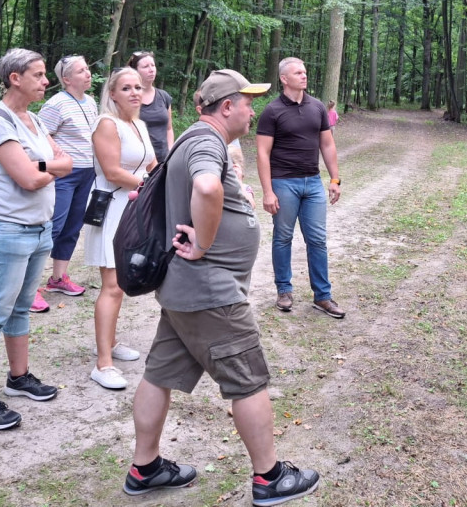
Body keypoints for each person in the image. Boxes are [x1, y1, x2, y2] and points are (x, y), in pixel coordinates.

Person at [126, 69, 321, 505]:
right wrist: (205, 241)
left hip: (186, 291)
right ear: (227, 107)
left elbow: (212, 188)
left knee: (159, 374)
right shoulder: (205, 141)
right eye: (248, 103)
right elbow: (207, 186)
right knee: (248, 381)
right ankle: (269, 478)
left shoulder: (199, 138)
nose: (253, 111)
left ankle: (145, 468)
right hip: (210, 293)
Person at [0, 49, 73, 429]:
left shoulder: (33, 121)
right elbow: (27, 179)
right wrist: (47, 168)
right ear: (15, 78)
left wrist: (40, 166)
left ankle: (18, 377)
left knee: (21, 307)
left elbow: (65, 163)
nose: (46, 81)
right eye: (39, 75)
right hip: (8, 229)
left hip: (40, 228)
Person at [82, 67, 157, 390]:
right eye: (126, 88)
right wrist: (152, 184)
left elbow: (151, 163)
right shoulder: (106, 123)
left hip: (135, 207)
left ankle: (110, 342)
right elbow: (112, 171)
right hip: (112, 207)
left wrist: (161, 177)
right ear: (112, 94)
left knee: (124, 281)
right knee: (111, 284)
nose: (134, 93)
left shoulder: (138, 124)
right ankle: (103, 363)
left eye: (137, 87)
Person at [256, 57, 344, 319]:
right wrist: (268, 191)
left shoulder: (317, 107)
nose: (304, 76)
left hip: (313, 183)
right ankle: (284, 290)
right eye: (298, 73)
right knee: (282, 238)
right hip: (284, 183)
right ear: (284, 78)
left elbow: (327, 145)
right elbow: (262, 153)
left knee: (317, 240)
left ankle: (323, 296)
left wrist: (335, 179)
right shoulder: (272, 111)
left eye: (305, 71)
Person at [35, 55, 97, 309]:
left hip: (87, 173)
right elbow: (40, 132)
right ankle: (29, 286)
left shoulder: (91, 101)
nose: (88, 74)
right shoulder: (55, 104)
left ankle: (58, 278)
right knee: (54, 227)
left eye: (87, 69)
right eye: (82, 71)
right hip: (64, 176)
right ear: (67, 79)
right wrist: (58, 154)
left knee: (73, 227)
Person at [129, 50, 174, 163]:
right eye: (145, 66)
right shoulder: (129, 98)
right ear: (135, 71)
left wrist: (170, 151)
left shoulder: (164, 96)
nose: (151, 69)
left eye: (153, 65)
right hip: (139, 161)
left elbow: (169, 129)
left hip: (163, 160)